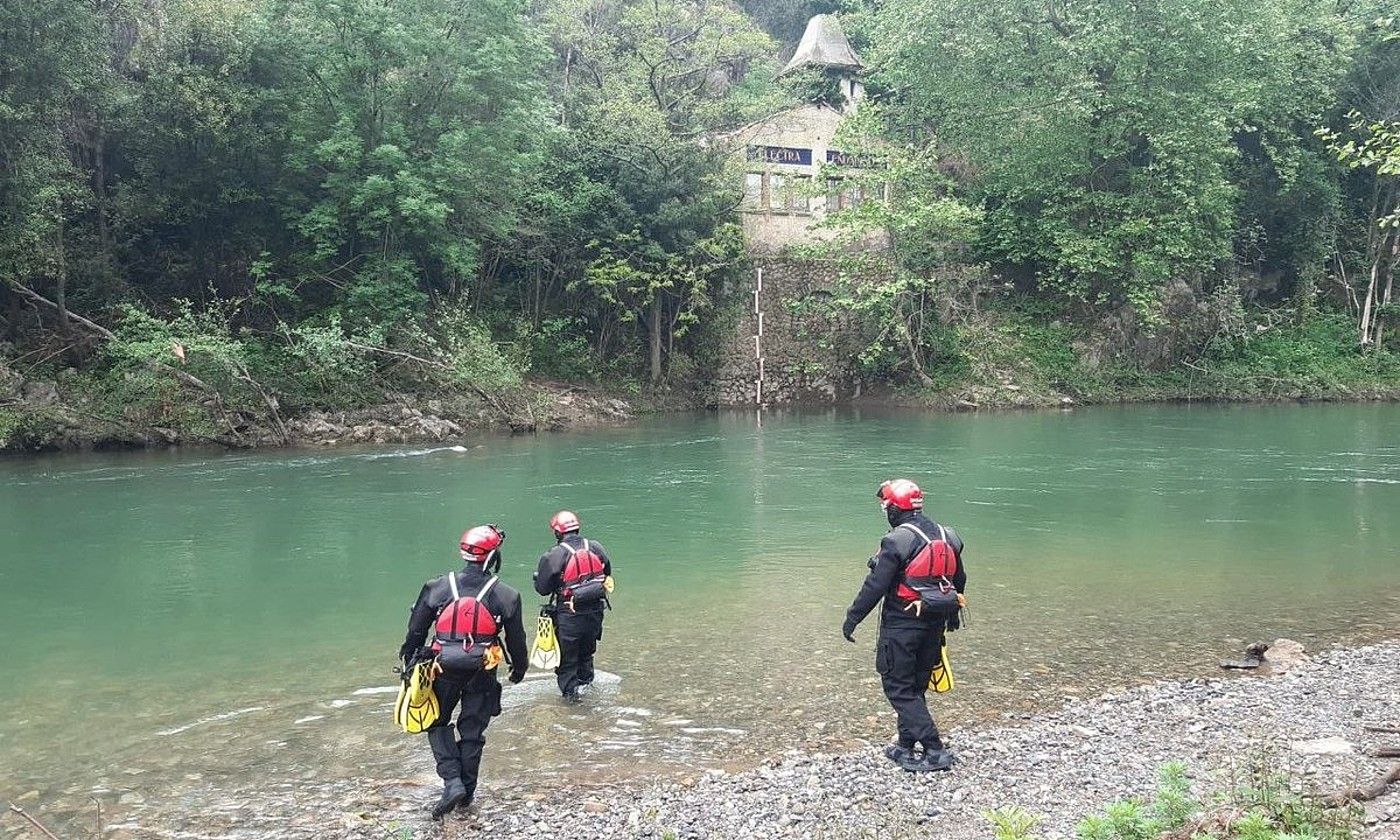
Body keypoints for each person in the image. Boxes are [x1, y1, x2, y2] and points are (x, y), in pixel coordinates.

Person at [399, 524, 528, 818]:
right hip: (482, 669)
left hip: (441, 666)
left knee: (435, 721)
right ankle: (466, 793)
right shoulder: (507, 595)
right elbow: (516, 641)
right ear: (493, 556)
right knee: (472, 730)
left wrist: (409, 663)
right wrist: (519, 669)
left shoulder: (437, 587)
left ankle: (451, 781)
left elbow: (415, 632)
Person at [842, 479, 966, 772]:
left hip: (902, 625)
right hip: (934, 625)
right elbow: (958, 582)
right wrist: (951, 617)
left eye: (886, 507)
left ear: (893, 510)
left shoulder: (896, 541)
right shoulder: (949, 536)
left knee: (898, 688)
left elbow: (875, 586)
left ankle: (935, 750)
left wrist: (852, 618)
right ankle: (905, 747)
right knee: (916, 686)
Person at [533, 510, 613, 701]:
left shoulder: (554, 555)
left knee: (568, 662)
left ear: (557, 533)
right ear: (577, 528)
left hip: (569, 615)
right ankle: (588, 692)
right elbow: (606, 572)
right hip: (595, 612)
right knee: (586, 655)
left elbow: (543, 589)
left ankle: (572, 705)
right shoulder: (596, 547)